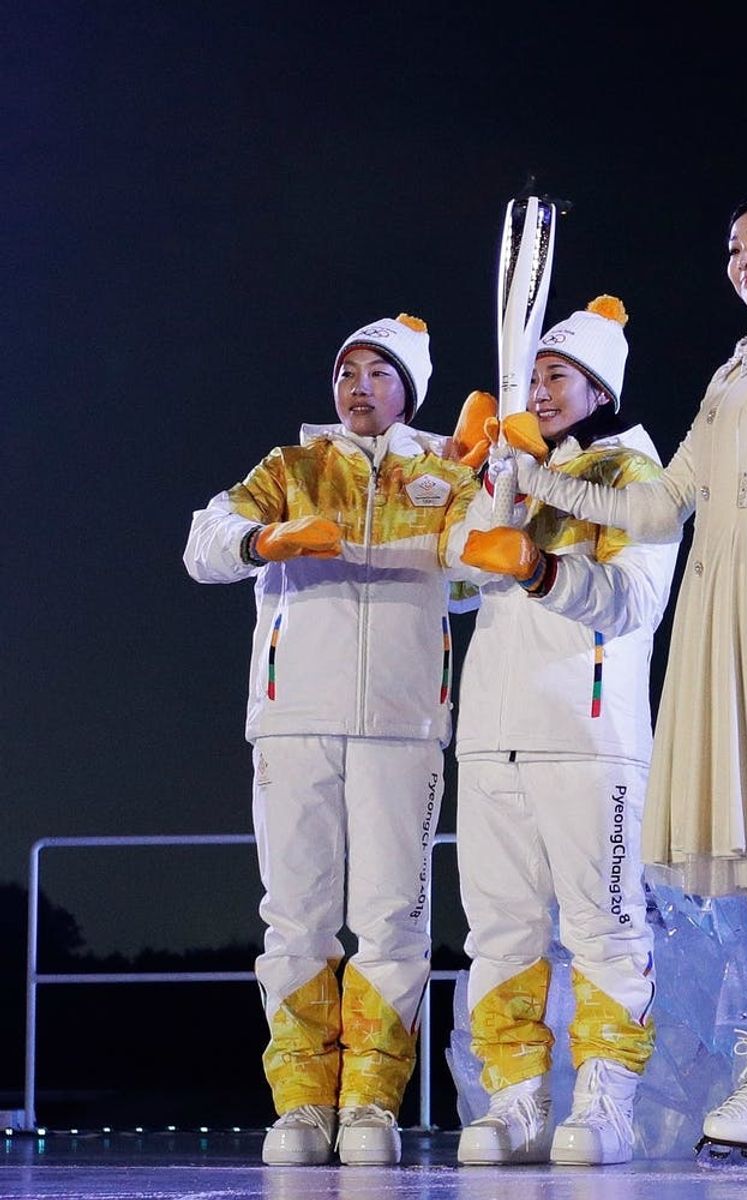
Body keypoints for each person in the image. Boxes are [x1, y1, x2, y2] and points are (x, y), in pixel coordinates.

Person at [510, 138, 747, 1157]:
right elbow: (661, 502)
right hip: (720, 585)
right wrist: (538, 483)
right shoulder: (733, 372)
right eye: (735, 249)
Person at [183, 313, 485, 1167]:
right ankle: (303, 1103)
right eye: (348, 371)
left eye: (379, 373)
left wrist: (493, 479)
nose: (359, 386)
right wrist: (263, 539)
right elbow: (203, 545)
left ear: (408, 391)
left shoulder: (443, 475)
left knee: (393, 918)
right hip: (295, 718)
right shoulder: (293, 468)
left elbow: (478, 572)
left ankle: (371, 1104)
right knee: (295, 916)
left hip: (403, 723)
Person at [450, 296, 680, 1166]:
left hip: (590, 738)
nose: (540, 392)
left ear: (599, 390)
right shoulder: (513, 466)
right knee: (499, 932)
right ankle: (515, 1101)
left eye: (559, 377)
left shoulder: (633, 477)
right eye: (533, 377)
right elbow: (456, 584)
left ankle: (605, 1100)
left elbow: (635, 602)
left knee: (605, 928)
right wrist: (488, 489)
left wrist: (541, 570)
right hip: (491, 736)